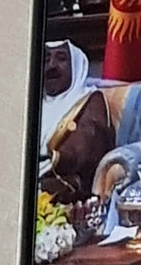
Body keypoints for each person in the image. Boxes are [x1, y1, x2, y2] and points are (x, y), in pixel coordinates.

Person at [39, 40, 115, 204]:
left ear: (76, 66)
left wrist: (57, 157)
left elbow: (86, 148)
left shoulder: (89, 100)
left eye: (61, 59)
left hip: (67, 184)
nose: (51, 66)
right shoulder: (34, 104)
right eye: (46, 60)